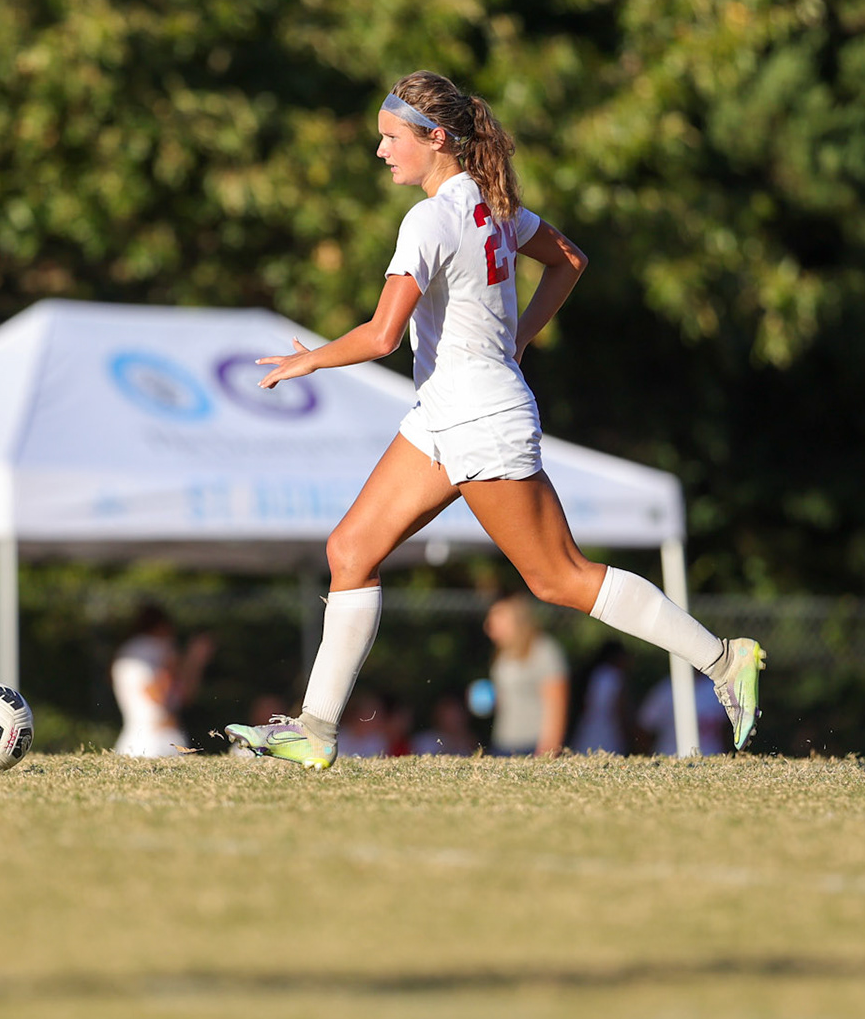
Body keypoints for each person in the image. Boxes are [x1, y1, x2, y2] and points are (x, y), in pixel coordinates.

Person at [224, 71, 764, 768]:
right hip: (444, 412)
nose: (381, 152)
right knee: (350, 551)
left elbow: (383, 335)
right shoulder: (492, 202)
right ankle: (316, 730)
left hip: (480, 416)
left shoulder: (428, 218)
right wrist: (521, 336)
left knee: (558, 578)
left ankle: (724, 660)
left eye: (391, 139)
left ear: (435, 139)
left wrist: (311, 361)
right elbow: (569, 261)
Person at [111, 604, 212, 757]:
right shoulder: (152, 649)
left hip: (142, 738)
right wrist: (191, 661)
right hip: (155, 740)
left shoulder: (131, 650)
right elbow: (164, 696)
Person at [484, 593, 568, 756]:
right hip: (503, 743)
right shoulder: (502, 654)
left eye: (498, 618)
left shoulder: (543, 651)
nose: (489, 626)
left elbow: (557, 706)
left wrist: (548, 750)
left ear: (517, 620)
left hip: (532, 745)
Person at [637, 673, 727, 757]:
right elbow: (643, 728)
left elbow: (726, 728)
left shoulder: (716, 688)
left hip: (713, 757)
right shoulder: (665, 690)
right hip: (671, 758)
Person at [567, 638, 631, 755]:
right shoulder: (614, 676)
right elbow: (619, 711)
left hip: (586, 731)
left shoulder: (594, 673)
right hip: (608, 735)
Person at [411, 692, 477, 756]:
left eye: (455, 714)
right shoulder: (424, 741)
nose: (453, 719)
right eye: (448, 714)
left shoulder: (470, 742)